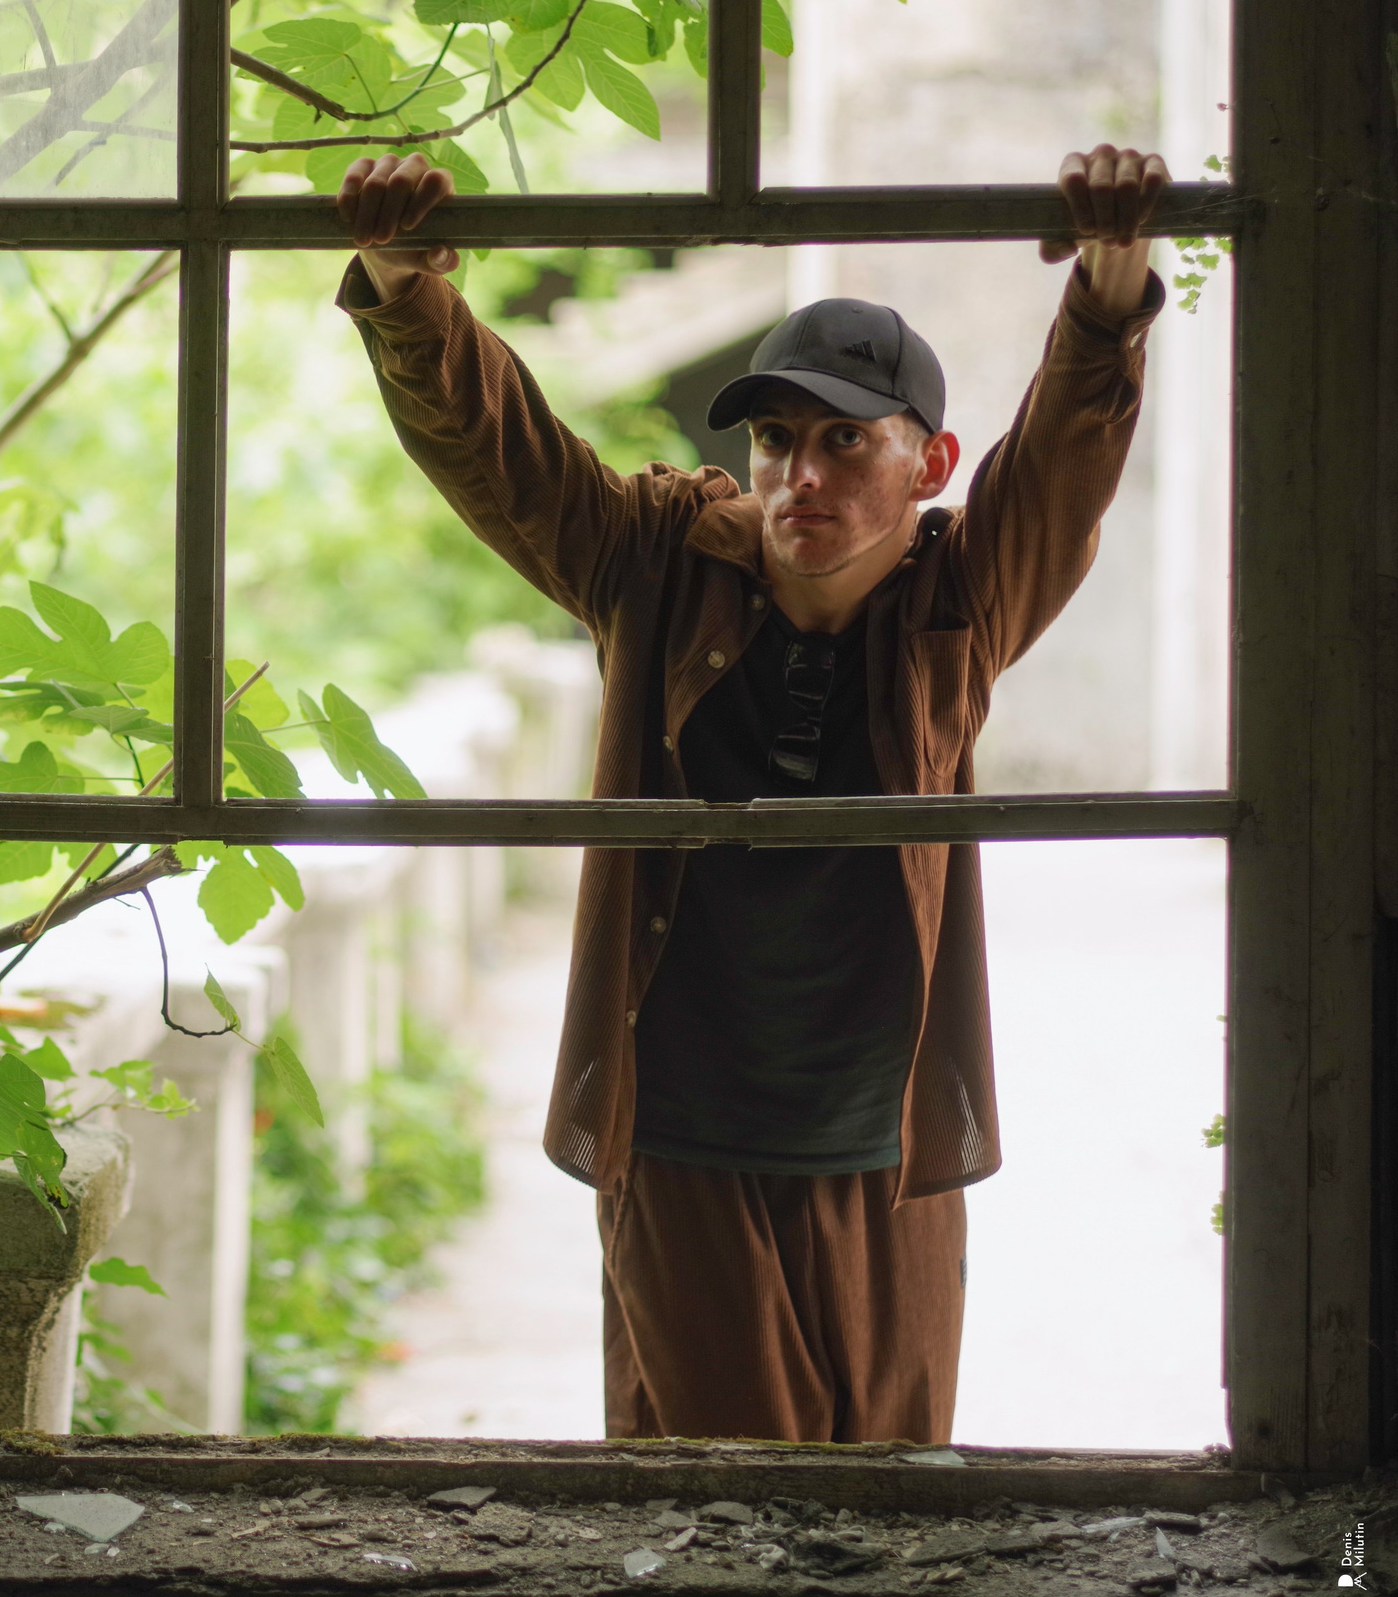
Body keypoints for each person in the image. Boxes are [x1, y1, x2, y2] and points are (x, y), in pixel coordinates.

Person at [334, 144, 1170, 1444]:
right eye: (777, 438)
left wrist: (1111, 295)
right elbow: (510, 461)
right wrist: (406, 287)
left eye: (847, 440)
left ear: (930, 461)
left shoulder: (960, 602)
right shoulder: (652, 565)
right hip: (681, 1145)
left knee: (888, 1516)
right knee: (712, 1507)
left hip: (884, 1161)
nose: (802, 476)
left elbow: (1062, 467)